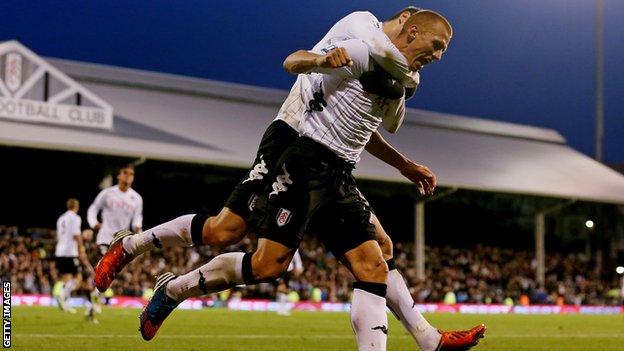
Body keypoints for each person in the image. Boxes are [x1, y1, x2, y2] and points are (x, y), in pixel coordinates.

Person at [97, 7, 484, 350]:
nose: (437, 56)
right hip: (294, 140)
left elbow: (361, 127)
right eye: (436, 46)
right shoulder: (364, 32)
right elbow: (297, 61)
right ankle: (139, 254)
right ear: (408, 26)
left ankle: (428, 339)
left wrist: (404, 164)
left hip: (335, 166)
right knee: (227, 233)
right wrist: (323, 60)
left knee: (376, 253)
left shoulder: (399, 77)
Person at [87, 164, 143, 320]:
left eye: (131, 174)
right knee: (106, 268)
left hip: (122, 240)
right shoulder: (108, 193)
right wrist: (94, 224)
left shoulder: (136, 198)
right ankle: (95, 299)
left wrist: (138, 228)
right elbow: (93, 209)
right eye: (125, 173)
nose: (128, 176)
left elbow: (137, 217)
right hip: (105, 237)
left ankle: (94, 300)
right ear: (119, 175)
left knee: (109, 275)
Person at [53, 198, 93, 315]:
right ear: (77, 206)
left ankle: (64, 302)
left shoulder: (61, 219)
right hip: (70, 252)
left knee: (66, 278)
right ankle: (62, 296)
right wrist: (81, 248)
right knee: (78, 278)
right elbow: (76, 234)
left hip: (60, 251)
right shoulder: (75, 218)